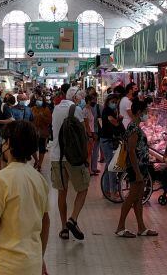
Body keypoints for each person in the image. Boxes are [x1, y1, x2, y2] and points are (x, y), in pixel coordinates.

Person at [0, 120, 51, 275]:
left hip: (6, 266)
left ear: (9, 143)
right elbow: (45, 223)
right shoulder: (39, 180)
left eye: (4, 141)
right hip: (32, 264)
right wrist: (40, 257)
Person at [50, 87, 90, 241]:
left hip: (56, 156)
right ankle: (73, 219)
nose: (81, 101)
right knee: (83, 188)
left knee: (62, 192)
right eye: (80, 98)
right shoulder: (76, 110)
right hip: (73, 157)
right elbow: (81, 135)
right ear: (75, 98)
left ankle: (63, 228)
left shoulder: (56, 109)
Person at [115, 97, 157, 238]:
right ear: (139, 112)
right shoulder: (133, 127)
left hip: (141, 167)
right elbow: (132, 151)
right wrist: (137, 172)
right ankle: (120, 227)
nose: (147, 113)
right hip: (136, 168)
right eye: (145, 111)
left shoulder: (135, 126)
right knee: (131, 197)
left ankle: (141, 228)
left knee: (138, 198)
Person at [99, 93, 123, 194]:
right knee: (112, 166)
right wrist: (119, 120)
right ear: (108, 102)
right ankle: (113, 191)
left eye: (116, 102)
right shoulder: (107, 111)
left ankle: (106, 189)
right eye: (113, 102)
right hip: (106, 140)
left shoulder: (112, 110)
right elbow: (114, 122)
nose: (114, 104)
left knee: (109, 165)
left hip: (107, 139)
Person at [31, 91, 53, 171]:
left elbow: (49, 121)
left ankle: (40, 164)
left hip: (43, 132)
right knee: (32, 148)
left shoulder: (46, 110)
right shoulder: (32, 109)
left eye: (40, 100)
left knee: (42, 148)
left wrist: (42, 117)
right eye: (37, 100)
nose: (39, 101)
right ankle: (36, 160)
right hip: (34, 131)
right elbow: (30, 119)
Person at [83, 92, 100, 175]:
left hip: (91, 132)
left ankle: (89, 169)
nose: (95, 101)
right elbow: (86, 124)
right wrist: (90, 135)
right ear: (89, 101)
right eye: (93, 100)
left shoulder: (89, 110)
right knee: (88, 153)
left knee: (90, 152)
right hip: (88, 133)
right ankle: (88, 170)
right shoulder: (85, 110)